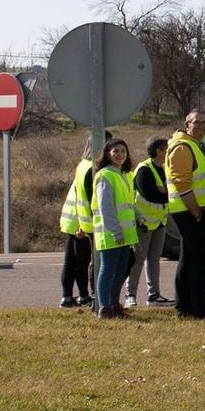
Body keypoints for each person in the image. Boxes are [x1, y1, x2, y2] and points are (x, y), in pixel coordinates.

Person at [163, 112, 205, 318]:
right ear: (187, 124)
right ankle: (198, 308)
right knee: (196, 261)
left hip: (195, 211)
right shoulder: (182, 147)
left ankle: (185, 306)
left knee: (190, 259)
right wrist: (195, 211)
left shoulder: (193, 145)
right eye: (197, 122)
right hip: (190, 212)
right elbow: (181, 182)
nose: (202, 126)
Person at [89, 138, 137, 319]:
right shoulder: (105, 175)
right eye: (116, 151)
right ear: (108, 154)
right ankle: (105, 308)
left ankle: (114, 304)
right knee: (108, 269)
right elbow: (105, 207)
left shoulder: (122, 175)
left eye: (123, 151)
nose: (120, 155)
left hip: (126, 233)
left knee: (121, 269)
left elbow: (128, 205)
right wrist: (115, 231)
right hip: (111, 233)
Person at [126, 137, 172, 308]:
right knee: (138, 259)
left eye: (167, 148)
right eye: (162, 149)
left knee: (154, 259)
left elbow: (170, 191)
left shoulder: (167, 169)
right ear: (154, 150)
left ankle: (154, 295)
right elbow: (149, 194)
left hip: (160, 220)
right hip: (143, 221)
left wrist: (164, 192)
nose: (166, 151)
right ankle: (130, 294)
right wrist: (165, 193)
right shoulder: (144, 169)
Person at [57, 142, 99, 308]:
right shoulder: (91, 168)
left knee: (71, 261)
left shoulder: (83, 164)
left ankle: (67, 296)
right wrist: (84, 224)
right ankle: (83, 296)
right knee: (81, 262)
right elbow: (88, 199)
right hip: (80, 221)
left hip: (73, 219)